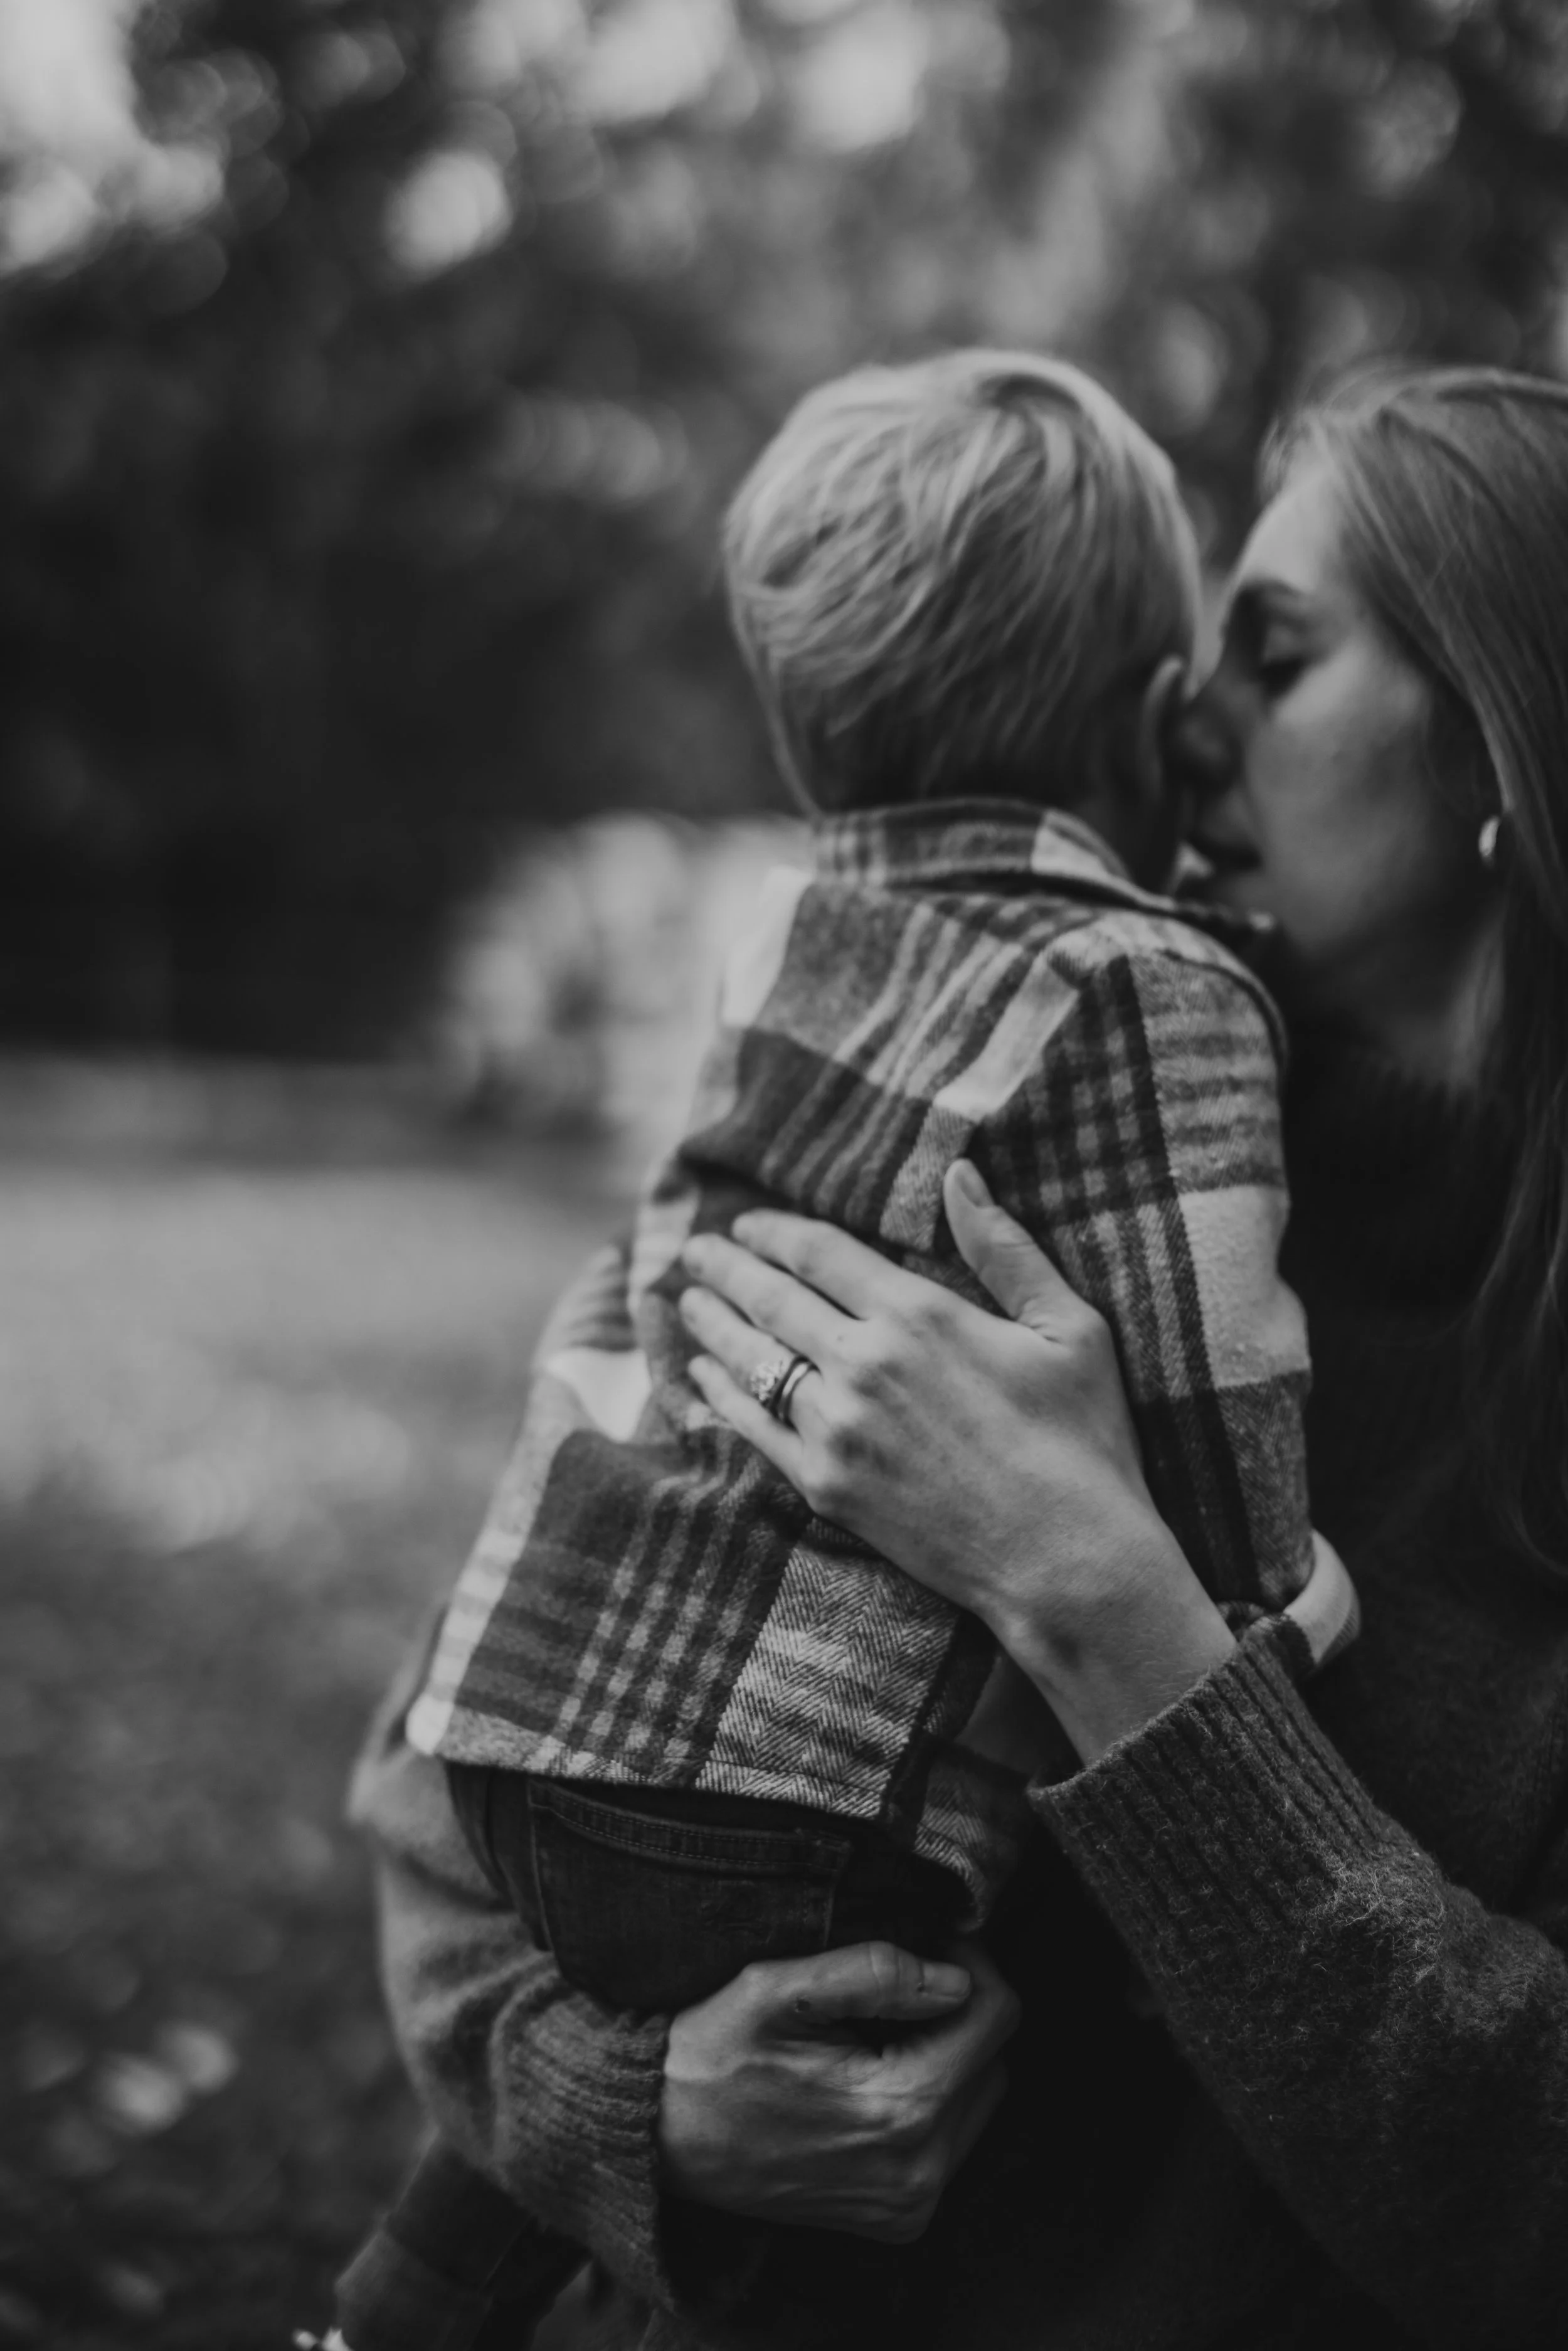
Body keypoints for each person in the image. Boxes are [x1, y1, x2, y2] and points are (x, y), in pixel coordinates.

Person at [348, 363, 1568, 2349]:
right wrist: (627, 2102)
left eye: (1271, 656)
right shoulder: (980, 1091)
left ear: (1505, 740)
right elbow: (452, 1744)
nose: (1182, 719)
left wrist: (1102, 1600)